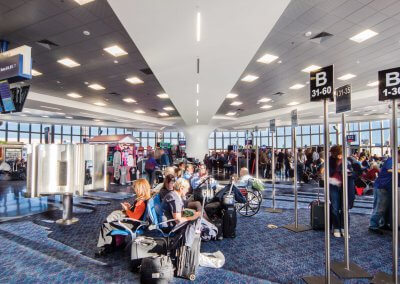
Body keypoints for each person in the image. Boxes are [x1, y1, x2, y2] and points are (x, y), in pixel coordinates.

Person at [96, 179, 151, 256]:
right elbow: (136, 213)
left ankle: (107, 247)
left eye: (135, 188)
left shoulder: (141, 202)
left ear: (140, 189)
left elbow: (135, 217)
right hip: (135, 223)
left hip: (133, 224)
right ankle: (117, 243)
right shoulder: (143, 199)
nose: (134, 190)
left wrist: (127, 209)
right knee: (111, 223)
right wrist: (130, 207)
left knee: (106, 225)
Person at [369, 149, 400, 234]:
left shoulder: (392, 160)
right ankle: (373, 225)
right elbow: (392, 170)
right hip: (382, 187)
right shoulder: (392, 160)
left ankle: (384, 224)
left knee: (386, 207)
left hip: (385, 187)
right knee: (380, 207)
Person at [329, 145, 346, 238]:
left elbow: (357, 171)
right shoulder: (330, 161)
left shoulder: (347, 161)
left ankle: (343, 227)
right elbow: (327, 173)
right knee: (335, 207)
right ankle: (336, 227)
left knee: (344, 208)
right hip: (334, 185)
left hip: (344, 186)